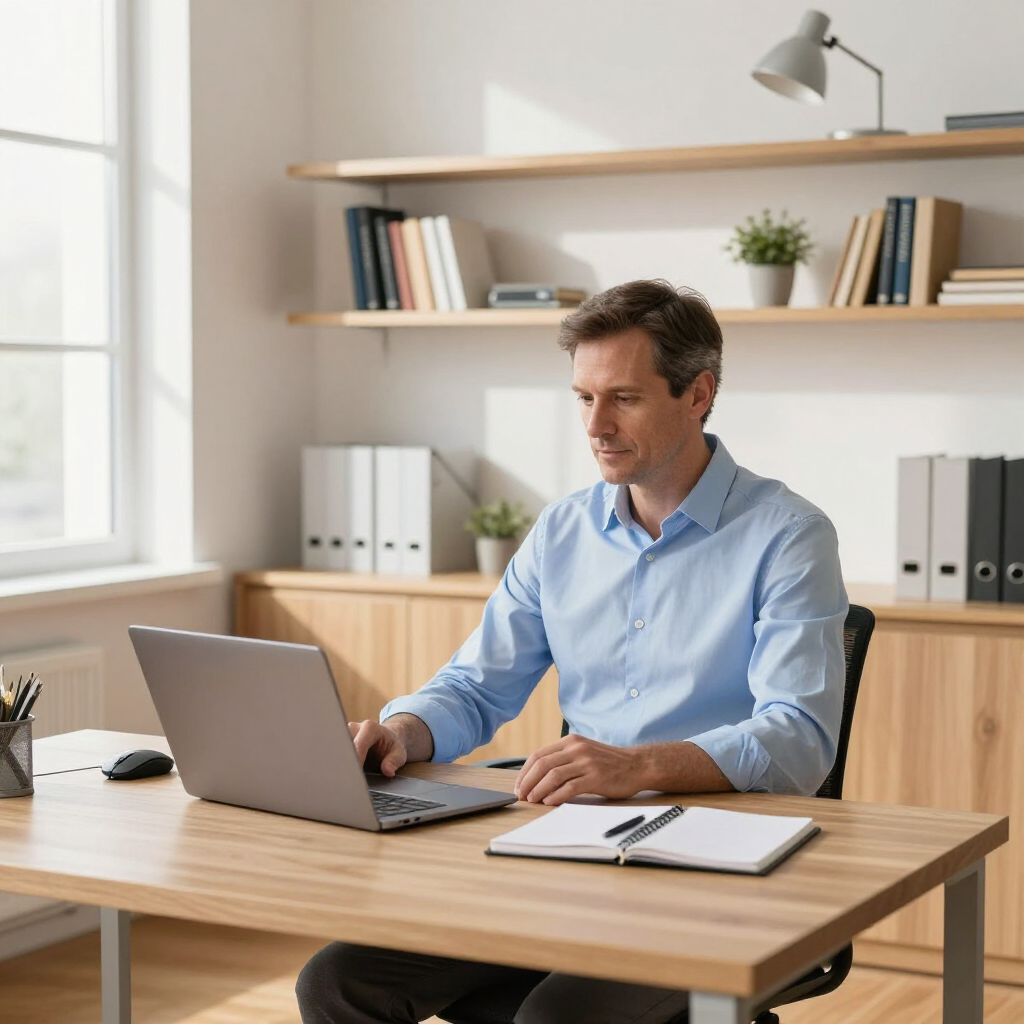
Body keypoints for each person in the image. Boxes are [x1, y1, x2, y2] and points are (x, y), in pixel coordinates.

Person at [296, 279, 848, 1024]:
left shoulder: (787, 535)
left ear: (698, 394)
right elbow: (475, 686)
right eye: (584, 399)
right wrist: (400, 731)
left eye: (623, 398)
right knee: (336, 981)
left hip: (714, 868)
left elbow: (798, 740)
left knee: (556, 1018)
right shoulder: (563, 532)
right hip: (570, 848)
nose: (597, 425)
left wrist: (639, 765)